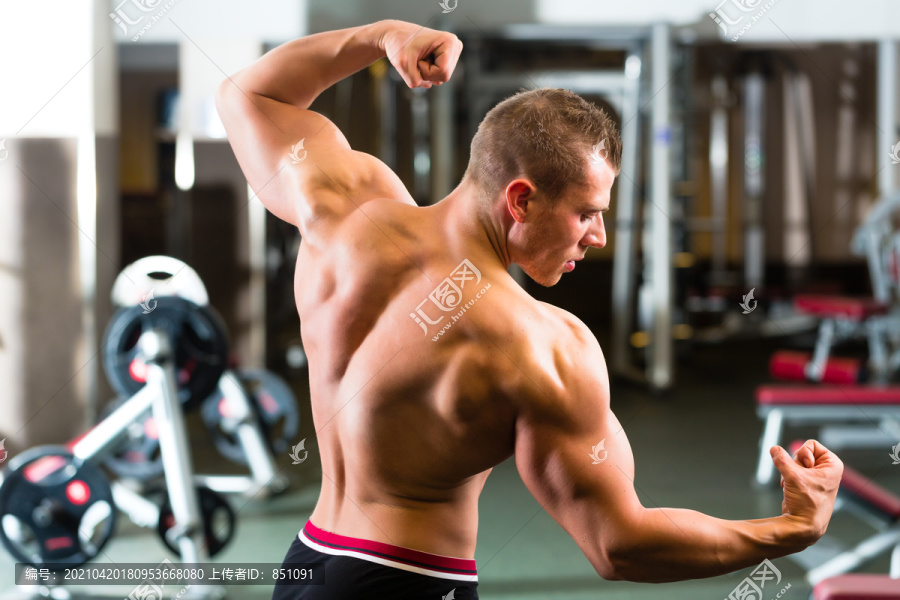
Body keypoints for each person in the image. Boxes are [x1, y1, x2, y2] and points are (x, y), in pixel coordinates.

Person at [216, 18, 843, 600]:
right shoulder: (543, 345)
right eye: (586, 213)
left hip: (306, 565)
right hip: (410, 581)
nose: (597, 236)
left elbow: (249, 98)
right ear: (521, 199)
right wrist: (789, 529)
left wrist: (382, 35)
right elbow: (619, 544)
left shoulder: (347, 212)